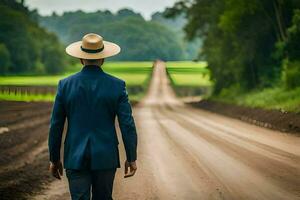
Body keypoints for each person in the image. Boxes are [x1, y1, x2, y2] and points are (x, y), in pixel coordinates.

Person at [48, 33, 138, 200]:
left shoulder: (65, 85)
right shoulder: (117, 85)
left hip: (75, 156)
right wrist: (131, 158)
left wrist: (54, 159)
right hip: (105, 155)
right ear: (103, 59)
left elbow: (56, 125)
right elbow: (127, 124)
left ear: (81, 59)